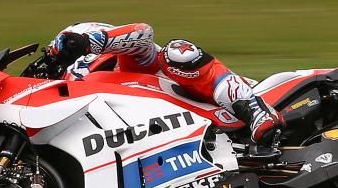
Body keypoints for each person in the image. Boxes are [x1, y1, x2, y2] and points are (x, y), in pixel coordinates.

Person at [47, 22, 283, 146]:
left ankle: (256, 111)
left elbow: (143, 33)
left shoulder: (132, 62)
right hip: (157, 141)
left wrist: (87, 42)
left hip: (218, 106)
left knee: (177, 53)